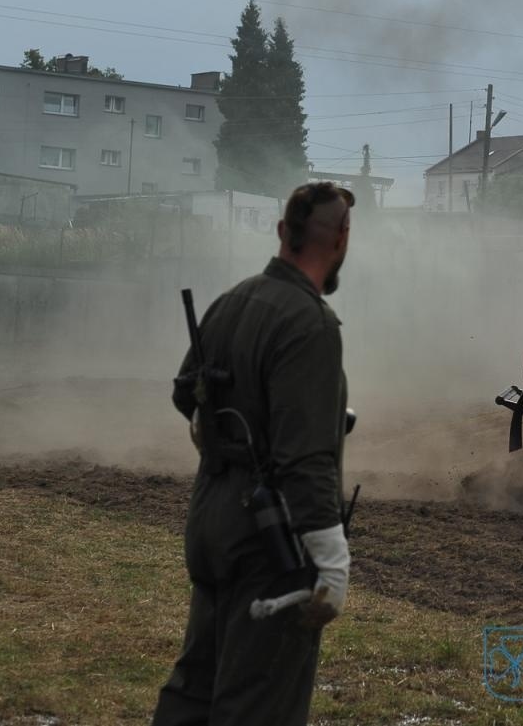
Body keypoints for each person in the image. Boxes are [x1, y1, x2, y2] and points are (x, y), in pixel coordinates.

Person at [151, 181, 355, 726]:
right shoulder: (310, 323)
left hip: (211, 518)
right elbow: (304, 459)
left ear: (282, 232)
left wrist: (218, 429)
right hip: (270, 542)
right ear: (341, 238)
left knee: (196, 691)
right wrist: (331, 558)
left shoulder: (232, 300)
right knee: (257, 705)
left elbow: (183, 392)